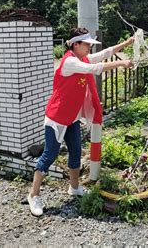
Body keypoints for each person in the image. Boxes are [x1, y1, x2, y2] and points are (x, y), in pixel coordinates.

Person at [27, 27, 134, 216]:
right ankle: (33, 195)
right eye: (86, 45)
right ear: (76, 44)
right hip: (57, 117)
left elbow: (103, 54)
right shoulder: (69, 61)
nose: (89, 49)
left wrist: (125, 44)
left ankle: (74, 187)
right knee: (49, 155)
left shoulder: (81, 58)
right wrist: (121, 63)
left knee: (76, 151)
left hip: (72, 117)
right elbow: (94, 68)